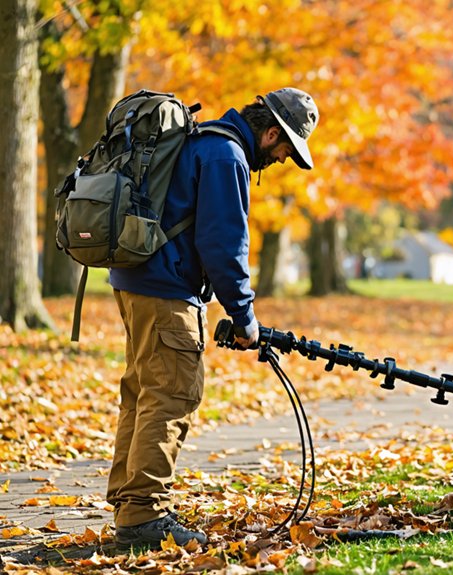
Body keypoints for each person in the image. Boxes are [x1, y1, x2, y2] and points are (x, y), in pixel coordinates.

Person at [107, 88, 319, 548]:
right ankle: (142, 515)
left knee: (142, 393)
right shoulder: (227, 157)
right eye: (285, 150)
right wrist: (244, 315)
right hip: (167, 290)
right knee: (171, 395)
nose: (283, 159)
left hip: (134, 281)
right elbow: (224, 245)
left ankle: (130, 502)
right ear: (269, 134)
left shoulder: (201, 139)